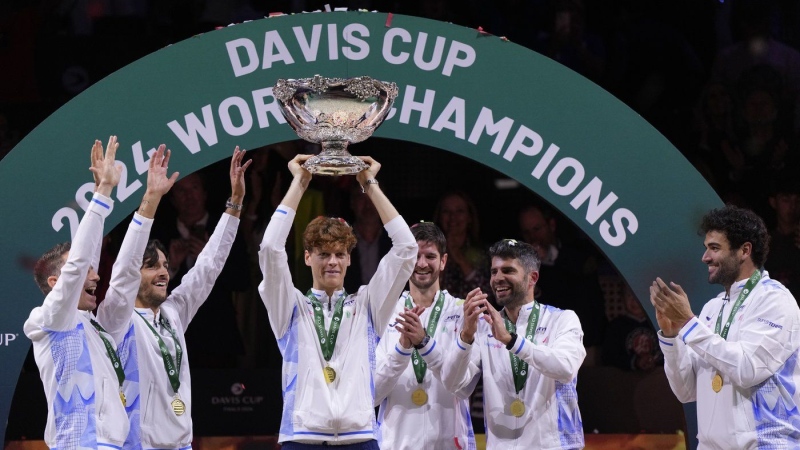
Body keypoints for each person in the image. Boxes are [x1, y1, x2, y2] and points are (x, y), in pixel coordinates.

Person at [258, 154, 416, 449]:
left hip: (360, 437)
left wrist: (369, 184)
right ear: (307, 257)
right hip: (302, 437)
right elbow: (269, 248)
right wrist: (300, 182)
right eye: (323, 254)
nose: (332, 262)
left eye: (339, 254)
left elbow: (407, 248)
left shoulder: (367, 305)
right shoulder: (290, 307)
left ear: (348, 258)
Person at [115, 147, 250, 450]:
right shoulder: (117, 319)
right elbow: (123, 268)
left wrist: (235, 203)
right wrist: (151, 197)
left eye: (165, 265)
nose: (163, 272)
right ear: (133, 275)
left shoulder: (173, 314)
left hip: (181, 445)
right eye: (152, 266)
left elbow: (209, 266)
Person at [651, 205, 800, 448]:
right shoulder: (712, 308)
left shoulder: (774, 300)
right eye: (706, 248)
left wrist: (689, 323)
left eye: (715, 248)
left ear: (744, 250)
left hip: (764, 444)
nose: (705, 257)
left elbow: (747, 369)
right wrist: (672, 336)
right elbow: (686, 391)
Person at [24, 136, 134, 448]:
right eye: (82, 270)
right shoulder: (50, 318)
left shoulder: (93, 326)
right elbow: (78, 263)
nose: (96, 276)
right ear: (55, 284)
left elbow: (86, 258)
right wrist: (102, 194)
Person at [442, 239, 586, 449]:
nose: (498, 278)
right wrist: (465, 337)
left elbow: (565, 368)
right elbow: (455, 386)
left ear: (532, 278)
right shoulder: (484, 328)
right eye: (494, 271)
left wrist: (512, 341)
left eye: (508, 270)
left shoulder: (562, 320)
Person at [374, 222, 478, 450]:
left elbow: (462, 387)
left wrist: (424, 343)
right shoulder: (383, 313)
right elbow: (370, 396)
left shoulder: (464, 314)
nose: (421, 264)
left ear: (443, 261)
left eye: (430, 256)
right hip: (395, 445)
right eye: (415, 255)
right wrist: (401, 350)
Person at [518, 203, 607, 364]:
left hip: (585, 345)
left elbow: (588, 266)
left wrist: (552, 256)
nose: (533, 238)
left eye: (537, 229)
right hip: (544, 351)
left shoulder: (576, 248)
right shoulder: (524, 264)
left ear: (551, 225)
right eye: (527, 232)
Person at [602, 285, 662, 371]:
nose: (635, 299)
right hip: (625, 377)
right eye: (630, 295)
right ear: (622, 298)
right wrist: (635, 362)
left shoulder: (659, 325)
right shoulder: (616, 327)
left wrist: (654, 360)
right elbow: (608, 357)